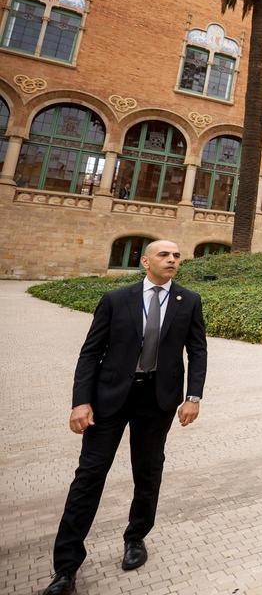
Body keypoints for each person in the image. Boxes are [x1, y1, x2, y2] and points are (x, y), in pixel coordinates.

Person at [43, 240, 207, 595]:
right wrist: (80, 402)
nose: (173, 260)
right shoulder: (116, 300)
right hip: (109, 399)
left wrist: (193, 397)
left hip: (157, 400)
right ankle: (66, 567)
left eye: (177, 255)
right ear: (145, 261)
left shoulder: (189, 301)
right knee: (88, 477)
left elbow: (197, 350)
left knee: (148, 473)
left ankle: (135, 538)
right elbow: (90, 353)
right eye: (164, 255)